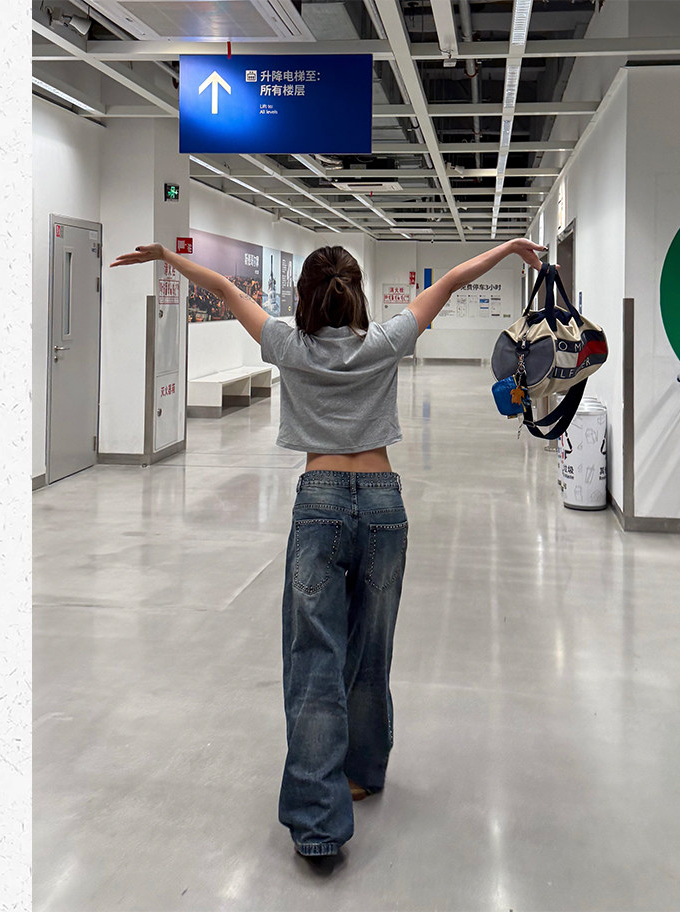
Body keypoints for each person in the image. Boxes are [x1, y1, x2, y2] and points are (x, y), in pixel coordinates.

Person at [110, 236, 547, 860]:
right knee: (371, 649)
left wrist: (167, 257)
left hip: (319, 501)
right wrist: (508, 248)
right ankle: (362, 773)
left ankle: (318, 824)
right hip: (384, 506)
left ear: (305, 297)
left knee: (315, 656)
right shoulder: (385, 341)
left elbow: (225, 289)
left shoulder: (287, 345)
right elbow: (451, 280)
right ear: (357, 295)